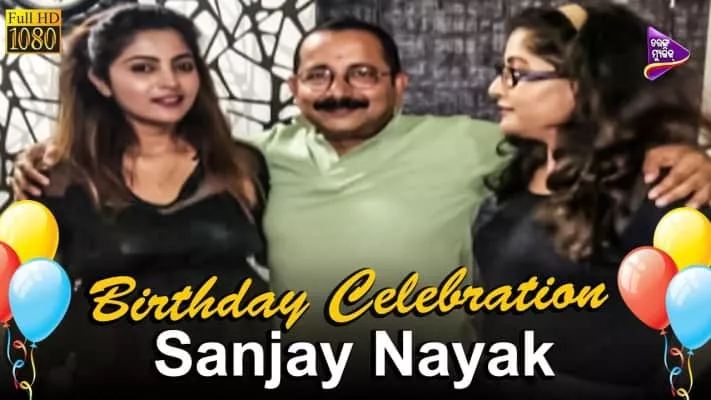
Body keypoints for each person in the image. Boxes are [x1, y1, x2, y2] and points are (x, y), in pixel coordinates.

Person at [10, 14, 711, 392]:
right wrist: (49, 155)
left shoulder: (474, 143)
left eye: (362, 74)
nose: (338, 90)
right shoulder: (250, 159)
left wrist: (683, 150)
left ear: (400, 86)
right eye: (318, 75)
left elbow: (630, 93)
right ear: (294, 87)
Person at [1, 4, 271, 398]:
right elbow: (21, 300)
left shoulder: (241, 163)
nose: (170, 82)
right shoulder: (57, 178)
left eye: (183, 65)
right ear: (101, 81)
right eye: (143, 68)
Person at [472, 3, 711, 399]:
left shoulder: (660, 190)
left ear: (587, 82)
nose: (495, 88)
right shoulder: (520, 170)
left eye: (517, 73)